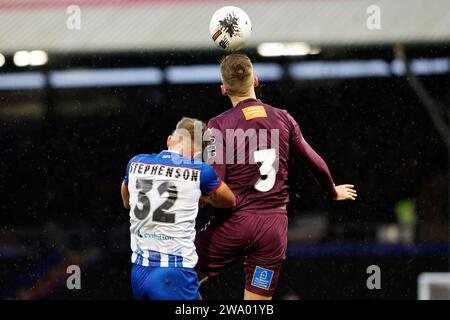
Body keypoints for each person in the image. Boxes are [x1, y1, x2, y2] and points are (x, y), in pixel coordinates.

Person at [195, 53, 357, 300]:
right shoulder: (284, 117)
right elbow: (314, 160)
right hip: (273, 227)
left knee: (178, 277)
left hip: (235, 222)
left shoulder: (218, 124)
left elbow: (216, 181)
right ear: (256, 81)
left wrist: (200, 199)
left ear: (223, 89)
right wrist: (332, 190)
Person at [121, 117, 236, 300]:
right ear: (197, 154)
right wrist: (203, 196)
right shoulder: (200, 170)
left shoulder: (136, 163)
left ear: (169, 140)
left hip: (139, 271)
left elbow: (126, 200)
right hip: (173, 272)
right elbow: (229, 201)